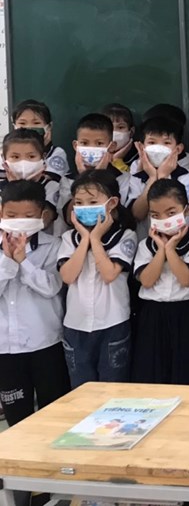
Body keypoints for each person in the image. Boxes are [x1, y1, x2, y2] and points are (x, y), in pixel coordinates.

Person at [57, 170, 137, 387]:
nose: (85, 207)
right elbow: (68, 276)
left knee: (113, 388)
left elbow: (109, 274)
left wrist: (96, 238)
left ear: (112, 203)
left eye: (93, 202)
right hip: (76, 324)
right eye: (79, 203)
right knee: (81, 388)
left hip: (113, 322)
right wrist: (85, 238)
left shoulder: (126, 236)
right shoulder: (69, 238)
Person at [0, 180, 69, 426]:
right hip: (6, 347)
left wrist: (23, 262)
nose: (19, 221)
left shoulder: (54, 245)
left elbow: (52, 287)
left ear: (42, 216)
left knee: (54, 414)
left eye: (28, 216)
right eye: (12, 215)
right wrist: (9, 262)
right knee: (17, 418)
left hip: (46, 342)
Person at [131, 179, 189, 385]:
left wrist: (171, 249)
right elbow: (147, 280)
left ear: (187, 210)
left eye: (171, 213)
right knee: (151, 374)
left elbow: (186, 279)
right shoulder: (145, 245)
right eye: (155, 215)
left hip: (185, 313)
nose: (163, 220)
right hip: (152, 314)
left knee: (187, 374)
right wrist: (161, 250)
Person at [128, 116, 189, 236]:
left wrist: (162, 176)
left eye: (166, 143)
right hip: (147, 241)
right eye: (152, 142)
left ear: (178, 149)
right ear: (142, 147)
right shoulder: (137, 178)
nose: (158, 149)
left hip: (182, 239)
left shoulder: (187, 177)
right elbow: (137, 214)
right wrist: (153, 178)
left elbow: (179, 211)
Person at [1, 129, 61, 230]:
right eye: (15, 157)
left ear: (43, 157)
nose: (23, 162)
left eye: (31, 156)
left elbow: (45, 221)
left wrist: (29, 187)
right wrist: (15, 186)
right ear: (4, 158)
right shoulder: (1, 186)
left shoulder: (51, 186)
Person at [11, 99, 69, 177]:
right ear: (14, 126)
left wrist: (42, 149)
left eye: (36, 123)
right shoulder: (5, 153)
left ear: (49, 126)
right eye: (22, 123)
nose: (29, 127)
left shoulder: (57, 153)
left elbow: (47, 182)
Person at [139, 103, 189, 170]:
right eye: (152, 142)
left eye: (166, 142)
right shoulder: (137, 163)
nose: (159, 148)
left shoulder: (188, 162)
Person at [102, 103, 139, 173]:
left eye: (120, 127)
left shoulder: (139, 157)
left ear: (131, 132)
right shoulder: (94, 154)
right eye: (109, 127)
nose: (114, 132)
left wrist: (117, 160)